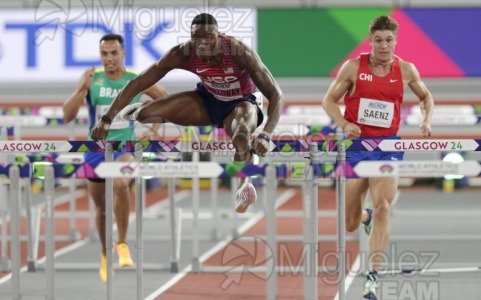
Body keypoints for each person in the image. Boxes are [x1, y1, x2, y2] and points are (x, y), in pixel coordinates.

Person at [90, 13, 284, 213]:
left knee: (241, 134)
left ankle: (244, 187)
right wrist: (107, 118)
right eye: (196, 38)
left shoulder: (239, 53)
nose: (201, 44)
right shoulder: (183, 53)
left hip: (242, 103)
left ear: (219, 36)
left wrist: (266, 134)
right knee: (147, 114)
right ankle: (139, 111)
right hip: (209, 100)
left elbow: (276, 94)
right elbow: (138, 83)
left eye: (208, 38)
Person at [322, 15, 433, 299]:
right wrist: (344, 123)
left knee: (384, 206)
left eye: (389, 40)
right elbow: (329, 101)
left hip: (388, 147)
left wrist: (426, 120)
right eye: (378, 40)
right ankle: (365, 216)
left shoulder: (406, 70)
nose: (384, 46)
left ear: (395, 41)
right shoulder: (353, 68)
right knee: (350, 223)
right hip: (357, 147)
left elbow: (425, 97)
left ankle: (372, 276)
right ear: (371, 41)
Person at [62, 33, 168, 282]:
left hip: (125, 147)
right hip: (95, 149)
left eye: (113, 53)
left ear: (123, 54)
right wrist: (81, 88)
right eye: (104, 54)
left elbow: (168, 100)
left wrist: (153, 129)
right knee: (100, 209)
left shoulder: (136, 79)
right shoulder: (92, 79)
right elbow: (67, 116)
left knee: (121, 184)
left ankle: (122, 243)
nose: (109, 58)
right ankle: (104, 253)